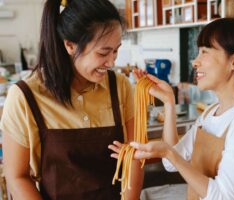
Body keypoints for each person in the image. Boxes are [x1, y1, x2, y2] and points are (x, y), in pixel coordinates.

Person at [109, 17, 234, 199]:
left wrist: (168, 153)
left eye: (205, 52)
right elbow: (172, 162)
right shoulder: (211, 113)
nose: (195, 62)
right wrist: (169, 103)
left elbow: (224, 196)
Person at [1, 0, 143, 199]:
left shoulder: (120, 87)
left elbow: (134, 158)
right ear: (70, 45)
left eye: (116, 50)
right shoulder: (25, 96)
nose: (112, 62)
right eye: (103, 52)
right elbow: (17, 176)